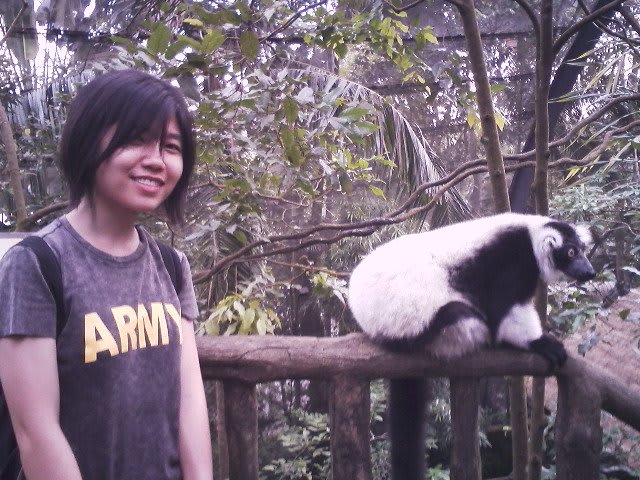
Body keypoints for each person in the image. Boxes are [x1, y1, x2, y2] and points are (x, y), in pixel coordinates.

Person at [0, 69, 213, 480]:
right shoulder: (36, 264)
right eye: (135, 139)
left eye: (170, 146)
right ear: (88, 140)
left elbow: (189, 400)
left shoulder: (171, 266)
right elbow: (35, 431)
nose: (155, 160)